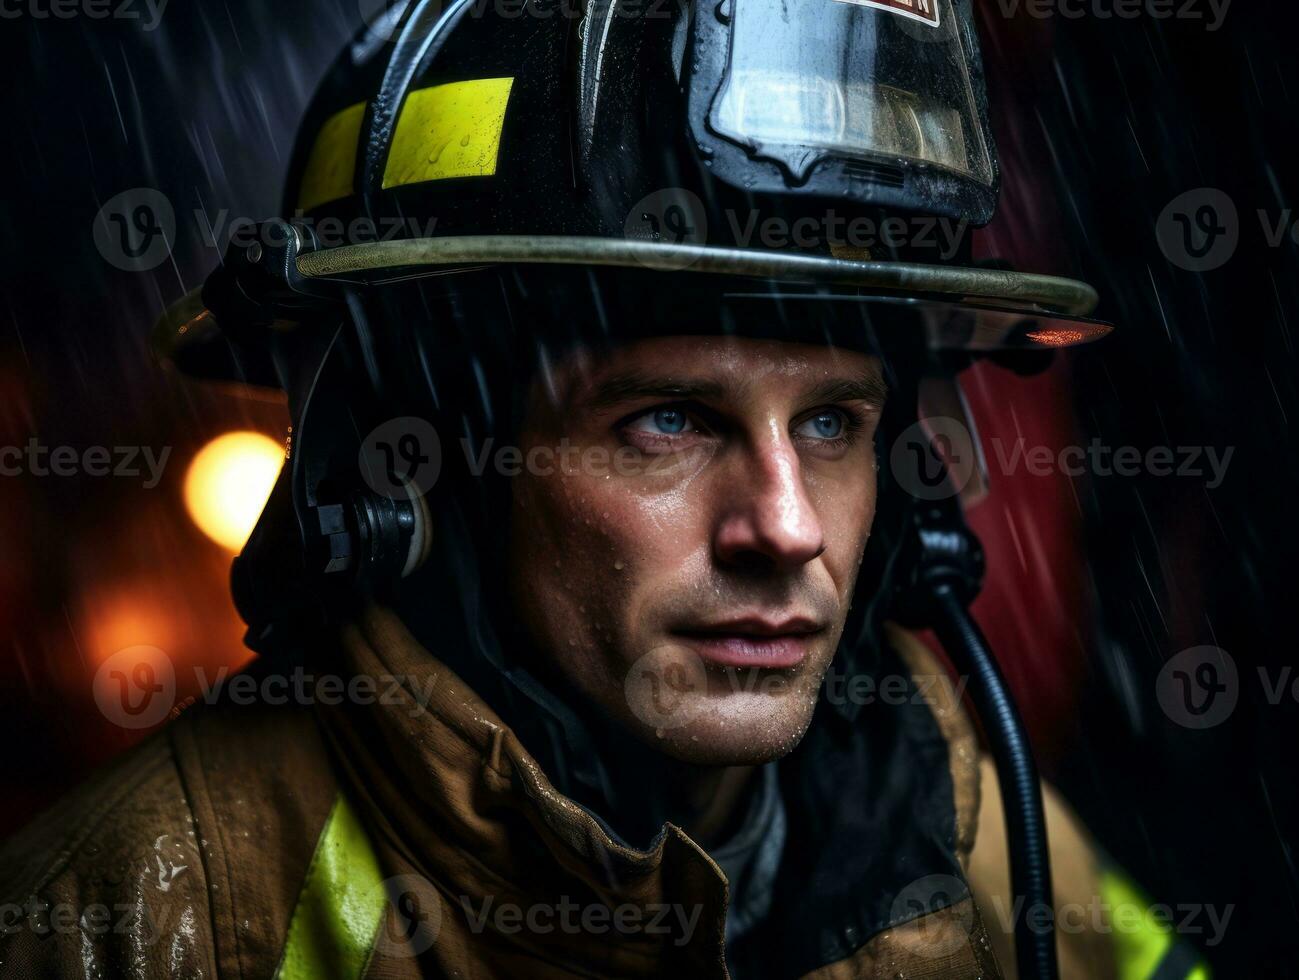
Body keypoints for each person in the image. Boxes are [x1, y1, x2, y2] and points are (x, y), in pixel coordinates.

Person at [0, 0, 1208, 977]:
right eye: (669, 420)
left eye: (833, 421)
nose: (784, 527)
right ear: (413, 481)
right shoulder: (129, 914)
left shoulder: (957, 815)